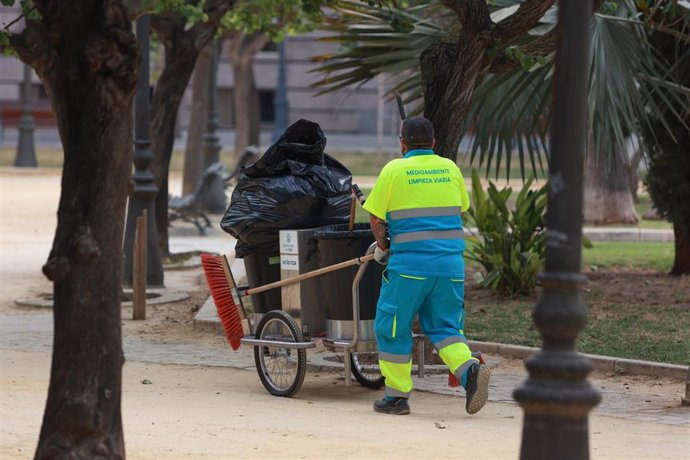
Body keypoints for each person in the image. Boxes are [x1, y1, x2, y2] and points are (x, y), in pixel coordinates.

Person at [362, 116, 490, 416]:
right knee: (445, 326)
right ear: (433, 143)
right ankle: (469, 370)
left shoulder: (394, 169)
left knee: (392, 327)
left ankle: (396, 397)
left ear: (402, 143)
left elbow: (376, 218)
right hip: (450, 267)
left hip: (409, 268)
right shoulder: (450, 168)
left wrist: (383, 247)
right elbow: (460, 208)